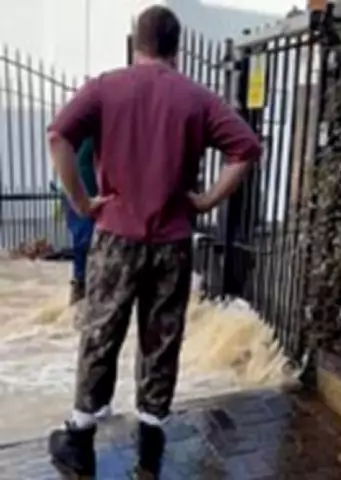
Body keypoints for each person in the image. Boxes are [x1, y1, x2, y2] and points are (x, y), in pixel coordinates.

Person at [46, 6, 261, 478]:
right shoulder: (197, 98)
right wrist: (206, 200)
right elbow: (246, 148)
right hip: (172, 240)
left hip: (115, 236)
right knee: (161, 340)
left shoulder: (105, 88)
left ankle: (80, 438)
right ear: (176, 47)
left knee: (101, 331)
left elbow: (59, 135)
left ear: (135, 42)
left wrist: (82, 202)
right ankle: (150, 443)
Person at [58, 138, 98, 304]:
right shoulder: (88, 136)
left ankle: (81, 287)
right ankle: (80, 288)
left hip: (81, 195)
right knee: (84, 243)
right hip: (83, 197)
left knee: (85, 245)